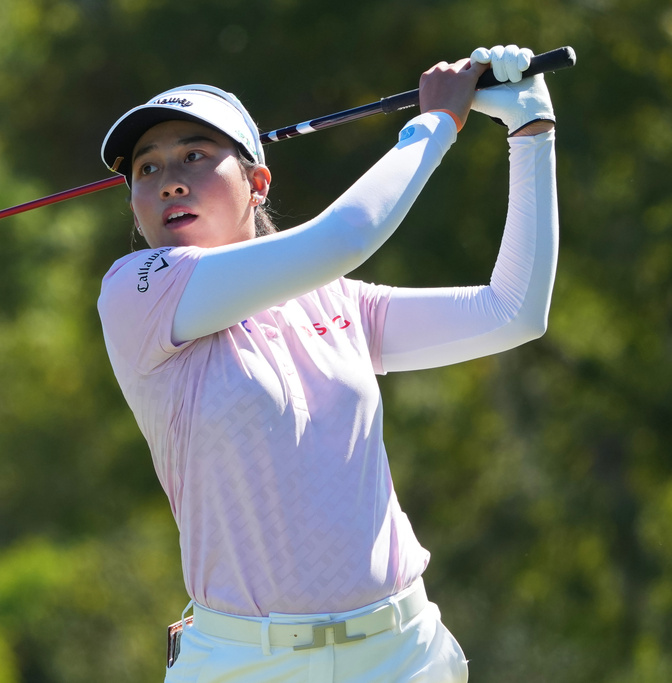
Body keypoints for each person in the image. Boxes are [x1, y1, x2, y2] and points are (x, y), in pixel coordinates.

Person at [96, 44, 557, 683]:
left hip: (402, 654)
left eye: (195, 156)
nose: (170, 179)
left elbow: (512, 312)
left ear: (258, 183)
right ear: (136, 206)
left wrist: (532, 134)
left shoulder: (336, 301)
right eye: (147, 168)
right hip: (246, 665)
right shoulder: (136, 291)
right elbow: (342, 237)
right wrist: (436, 123)